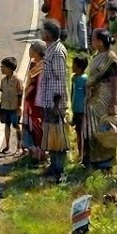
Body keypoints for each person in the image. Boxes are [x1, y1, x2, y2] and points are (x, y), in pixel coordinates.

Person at [83, 29, 117, 171]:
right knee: (93, 129)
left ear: (99, 42)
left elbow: (114, 80)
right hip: (95, 96)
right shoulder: (98, 55)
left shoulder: (109, 58)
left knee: (105, 130)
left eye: (93, 38)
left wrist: (112, 103)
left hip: (105, 97)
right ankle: (95, 160)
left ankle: (106, 164)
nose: (91, 41)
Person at [38, 20, 71, 178]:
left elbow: (60, 78)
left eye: (42, 31)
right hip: (48, 99)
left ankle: (59, 168)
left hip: (54, 101)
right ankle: (53, 165)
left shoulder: (57, 51)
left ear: (48, 34)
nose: (41, 33)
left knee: (58, 134)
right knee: (50, 133)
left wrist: (57, 104)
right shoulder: (50, 49)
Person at [23, 41, 46, 159]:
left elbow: (34, 84)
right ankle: (31, 150)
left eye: (31, 47)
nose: (29, 49)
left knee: (37, 126)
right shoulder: (33, 63)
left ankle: (39, 152)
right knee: (30, 126)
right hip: (30, 100)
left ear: (36, 51)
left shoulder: (41, 65)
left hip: (37, 101)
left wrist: (25, 94)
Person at [0, 57, 24, 155]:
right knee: (7, 125)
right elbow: (2, 93)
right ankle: (7, 146)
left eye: (3, 66)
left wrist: (19, 107)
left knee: (16, 126)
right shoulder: (3, 80)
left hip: (14, 108)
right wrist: (0, 107)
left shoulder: (17, 80)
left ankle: (19, 147)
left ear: (9, 68)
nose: (1, 68)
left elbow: (20, 94)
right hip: (5, 107)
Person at [71, 55, 89, 162]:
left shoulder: (85, 79)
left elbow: (87, 95)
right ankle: (80, 153)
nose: (72, 66)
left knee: (82, 133)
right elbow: (73, 92)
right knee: (78, 132)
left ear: (79, 67)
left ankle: (83, 154)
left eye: (74, 64)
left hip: (83, 111)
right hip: (76, 110)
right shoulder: (74, 78)